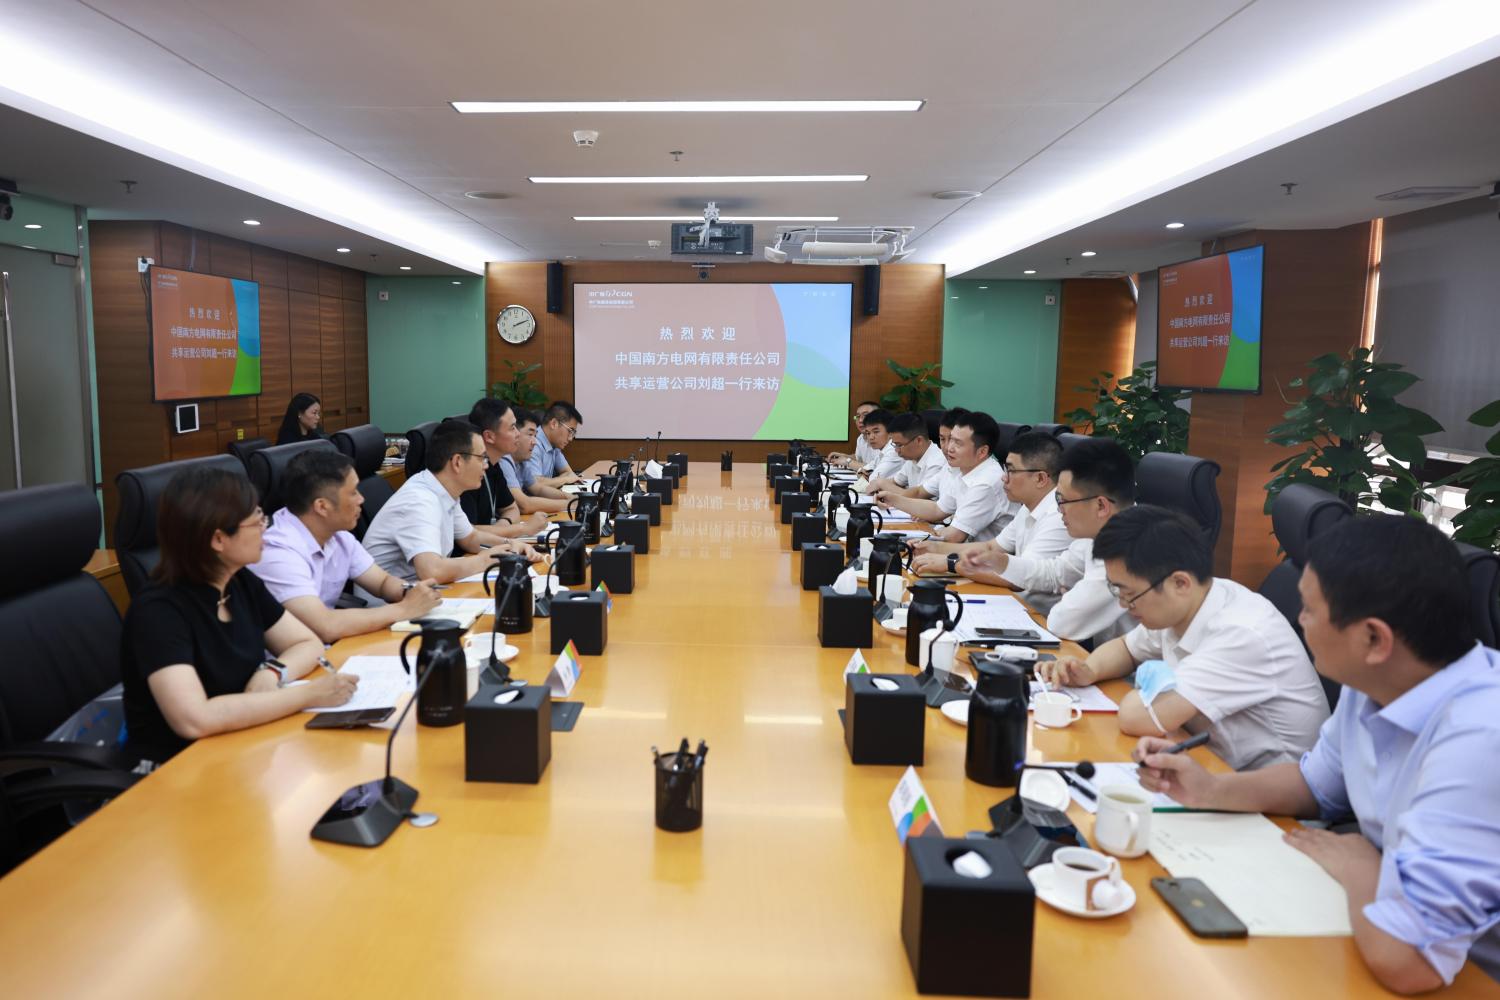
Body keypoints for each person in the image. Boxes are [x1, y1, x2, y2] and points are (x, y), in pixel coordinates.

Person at [1134, 516, 1500, 992]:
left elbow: (1411, 964)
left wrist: (1361, 868)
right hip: (1376, 920)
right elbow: (1316, 785)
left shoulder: (1479, 738)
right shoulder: (1375, 684)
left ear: (1374, 639)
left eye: (1309, 610)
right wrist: (1210, 789)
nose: (1299, 621)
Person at [1041, 505, 1328, 770]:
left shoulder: (1241, 633)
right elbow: (1126, 649)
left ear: (1180, 582)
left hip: (1266, 793)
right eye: (1118, 591)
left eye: (1130, 595)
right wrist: (1089, 670)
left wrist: (1146, 692)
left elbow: (1136, 717)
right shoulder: (1186, 601)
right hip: (1205, 758)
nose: (1123, 605)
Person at [120, 466, 358, 765]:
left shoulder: (239, 582)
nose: (265, 529)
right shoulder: (159, 612)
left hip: (243, 743)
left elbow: (306, 643)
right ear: (219, 539)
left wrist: (273, 672)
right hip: (177, 766)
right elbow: (194, 720)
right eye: (257, 521)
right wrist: (309, 695)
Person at [249, 449, 443, 642]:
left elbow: (382, 582)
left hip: (328, 647)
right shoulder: (277, 551)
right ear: (322, 506)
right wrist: (403, 609)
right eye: (353, 492)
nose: (361, 499)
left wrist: (412, 591)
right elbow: (325, 626)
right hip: (293, 656)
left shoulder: (339, 536)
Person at [361, 421, 541, 588]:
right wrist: (486, 560)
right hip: (391, 605)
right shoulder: (420, 501)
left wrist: (511, 545)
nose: (486, 466)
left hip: (424, 593)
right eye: (481, 458)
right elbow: (432, 571)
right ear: (457, 462)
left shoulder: (444, 490)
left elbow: (471, 538)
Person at [916, 431, 1071, 608]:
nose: (1004, 477)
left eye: (1011, 471)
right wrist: (935, 547)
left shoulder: (1059, 516)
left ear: (1040, 478)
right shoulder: (1029, 507)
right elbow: (991, 547)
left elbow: (1019, 577)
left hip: (1038, 616)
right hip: (1015, 604)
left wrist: (951, 564)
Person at [1035, 438, 1136, 645]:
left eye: (1063, 500)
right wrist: (1002, 563)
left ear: (1101, 506)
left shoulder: (1127, 548)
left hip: (1135, 665)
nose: (1059, 509)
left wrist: (1070, 597)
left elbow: (1061, 623)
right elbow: (1056, 572)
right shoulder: (1098, 533)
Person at [875, 411, 1012, 543]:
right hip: (968, 550)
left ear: (982, 451)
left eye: (958, 443)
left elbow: (954, 536)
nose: (949, 448)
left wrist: (928, 535)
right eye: (951, 439)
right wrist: (892, 499)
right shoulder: (964, 469)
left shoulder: (985, 483)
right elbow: (937, 510)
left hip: (986, 556)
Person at [459, 399, 551, 538]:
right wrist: (523, 529)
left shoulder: (494, 465)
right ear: (489, 436)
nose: (518, 433)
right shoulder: (466, 472)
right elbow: (466, 532)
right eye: (512, 428)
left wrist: (502, 527)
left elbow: (512, 509)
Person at [502, 408, 569, 515]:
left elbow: (538, 489)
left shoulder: (522, 460)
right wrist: (569, 504)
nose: (535, 442)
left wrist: (571, 497)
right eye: (530, 435)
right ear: (514, 433)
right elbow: (524, 505)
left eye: (535, 436)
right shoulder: (503, 460)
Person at [870, 412, 948, 497]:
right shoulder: (912, 458)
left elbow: (917, 497)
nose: (896, 450)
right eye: (895, 445)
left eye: (899, 445)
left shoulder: (937, 462)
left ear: (919, 440)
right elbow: (895, 482)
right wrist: (881, 484)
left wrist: (881, 483)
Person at [526, 401, 584, 489]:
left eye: (573, 433)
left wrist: (560, 480)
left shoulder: (554, 444)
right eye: (570, 431)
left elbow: (568, 473)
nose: (570, 438)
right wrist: (565, 479)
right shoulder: (533, 444)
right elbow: (535, 484)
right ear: (554, 424)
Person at [857, 408, 903, 482]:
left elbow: (874, 479)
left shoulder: (894, 450)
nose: (871, 437)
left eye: (876, 432)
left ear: (890, 432)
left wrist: (865, 475)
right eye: (868, 433)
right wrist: (862, 473)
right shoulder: (883, 451)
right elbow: (862, 471)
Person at [829, 401, 878, 470]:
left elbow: (876, 468)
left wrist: (848, 461)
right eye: (858, 416)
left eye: (865, 415)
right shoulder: (861, 438)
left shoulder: (882, 440)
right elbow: (859, 459)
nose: (860, 420)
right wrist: (844, 456)